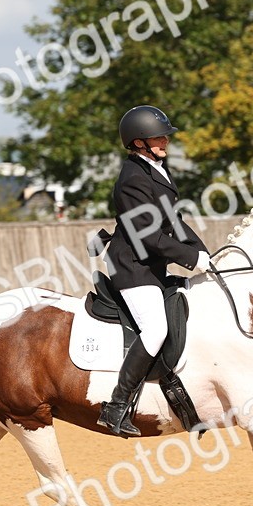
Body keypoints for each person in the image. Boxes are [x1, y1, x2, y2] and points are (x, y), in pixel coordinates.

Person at [96, 105, 211, 436]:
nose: (166, 141)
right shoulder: (132, 180)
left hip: (152, 265)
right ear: (138, 142)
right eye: (159, 136)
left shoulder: (156, 171)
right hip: (132, 267)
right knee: (156, 329)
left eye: (164, 136)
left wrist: (204, 254)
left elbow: (175, 222)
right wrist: (189, 259)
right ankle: (116, 407)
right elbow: (147, 235)